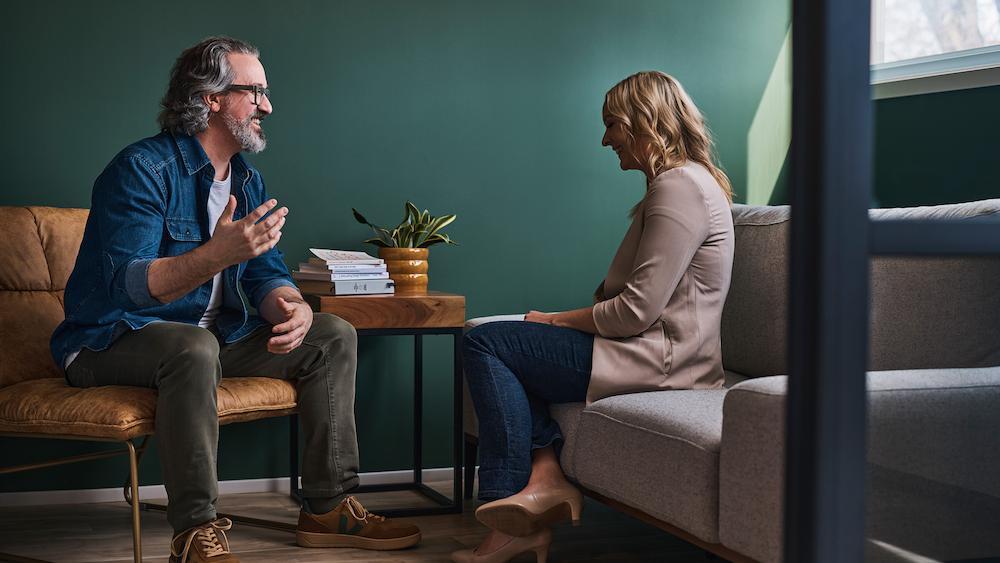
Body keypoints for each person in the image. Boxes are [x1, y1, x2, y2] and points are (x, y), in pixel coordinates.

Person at [49, 36, 420, 563]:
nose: (267, 106)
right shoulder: (141, 169)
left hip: (211, 339)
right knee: (192, 346)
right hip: (107, 341)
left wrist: (292, 306)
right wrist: (215, 254)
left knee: (331, 334)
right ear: (212, 98)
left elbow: (266, 272)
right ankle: (194, 532)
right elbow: (130, 286)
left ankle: (328, 507)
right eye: (255, 92)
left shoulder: (246, 179)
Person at [453, 71, 736, 563]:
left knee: (487, 343)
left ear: (645, 121)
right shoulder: (685, 182)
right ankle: (544, 476)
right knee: (509, 349)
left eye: (612, 124)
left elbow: (635, 312)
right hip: (655, 351)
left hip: (660, 359)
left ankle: (512, 513)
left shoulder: (679, 188)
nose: (606, 139)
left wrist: (552, 321)